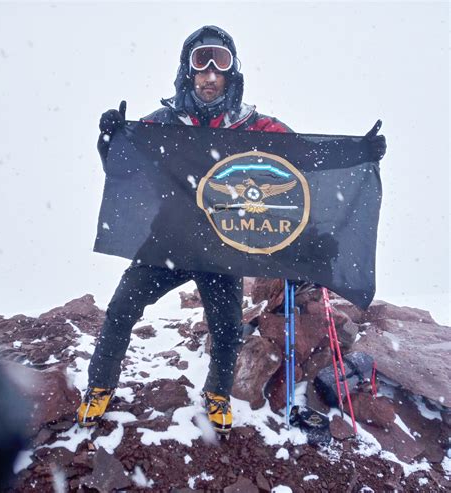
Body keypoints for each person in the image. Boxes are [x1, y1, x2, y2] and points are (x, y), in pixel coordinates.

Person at [77, 25, 386, 434]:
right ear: (188, 73)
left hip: (222, 247)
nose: (209, 76)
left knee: (226, 329)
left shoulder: (255, 128)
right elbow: (126, 166)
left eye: (218, 66)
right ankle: (100, 386)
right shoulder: (164, 123)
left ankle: (217, 393)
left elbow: (302, 157)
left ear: (230, 75)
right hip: (166, 241)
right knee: (120, 310)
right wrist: (110, 141)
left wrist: (356, 152)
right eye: (200, 66)